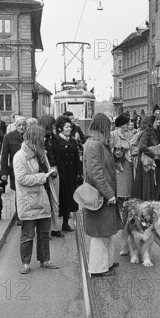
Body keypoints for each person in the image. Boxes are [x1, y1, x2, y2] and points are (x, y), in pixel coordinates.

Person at [13, 125, 60, 274]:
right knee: (28, 234)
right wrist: (42, 177)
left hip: (44, 196)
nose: (45, 139)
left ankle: (45, 260)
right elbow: (21, 179)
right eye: (42, 137)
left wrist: (51, 173)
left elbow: (45, 171)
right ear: (36, 139)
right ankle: (25, 263)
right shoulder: (20, 156)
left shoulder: (41, 153)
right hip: (29, 200)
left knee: (44, 232)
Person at [82, 113, 123, 276]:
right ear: (103, 127)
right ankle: (98, 269)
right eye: (109, 126)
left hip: (103, 196)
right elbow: (96, 173)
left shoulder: (98, 143)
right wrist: (109, 194)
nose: (111, 129)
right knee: (100, 234)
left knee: (106, 232)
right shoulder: (95, 145)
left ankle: (107, 263)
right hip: (100, 196)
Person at [54, 115, 82, 232]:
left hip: (71, 174)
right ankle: (55, 226)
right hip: (60, 174)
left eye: (70, 127)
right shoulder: (55, 140)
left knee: (69, 199)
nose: (69, 129)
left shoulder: (73, 141)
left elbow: (77, 158)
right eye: (66, 127)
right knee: (60, 198)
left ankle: (65, 223)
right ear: (60, 128)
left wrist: (79, 173)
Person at [39, 114, 63, 238]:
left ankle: (55, 227)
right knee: (46, 201)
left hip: (55, 170)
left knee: (55, 200)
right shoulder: (41, 139)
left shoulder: (53, 138)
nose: (54, 127)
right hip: (45, 172)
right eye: (52, 124)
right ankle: (46, 230)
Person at [0, 116, 27, 225]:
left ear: (26, 125)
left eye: (23, 125)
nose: (21, 127)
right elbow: (5, 156)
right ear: (15, 125)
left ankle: (27, 214)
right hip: (15, 171)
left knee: (27, 193)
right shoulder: (9, 137)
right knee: (18, 193)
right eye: (19, 125)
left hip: (28, 170)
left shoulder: (29, 136)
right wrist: (4, 173)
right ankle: (20, 215)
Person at [131, 115, 160, 201]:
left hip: (149, 162)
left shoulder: (151, 133)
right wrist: (153, 154)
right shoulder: (146, 133)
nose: (157, 123)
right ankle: (147, 204)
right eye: (156, 121)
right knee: (147, 185)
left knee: (150, 185)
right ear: (151, 123)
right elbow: (142, 147)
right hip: (146, 163)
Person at [110, 113, 134, 213]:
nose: (128, 126)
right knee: (120, 189)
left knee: (128, 189)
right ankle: (119, 207)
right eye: (126, 124)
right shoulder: (114, 134)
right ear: (121, 124)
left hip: (128, 164)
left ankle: (126, 207)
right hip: (119, 166)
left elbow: (132, 146)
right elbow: (110, 149)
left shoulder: (129, 134)